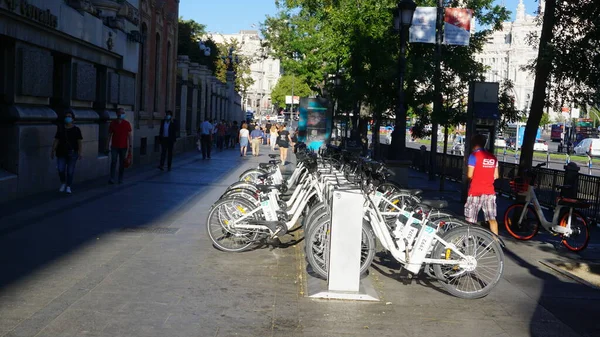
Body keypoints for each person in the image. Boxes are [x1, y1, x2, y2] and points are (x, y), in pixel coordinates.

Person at [465, 134, 500, 235]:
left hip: (475, 192)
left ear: (474, 144)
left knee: (470, 219)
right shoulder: (493, 157)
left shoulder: (473, 156)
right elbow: (496, 175)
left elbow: (470, 175)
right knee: (492, 219)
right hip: (489, 192)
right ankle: (496, 242)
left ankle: (469, 241)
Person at [50, 110, 83, 194]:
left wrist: (80, 152)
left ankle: (68, 186)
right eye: (66, 116)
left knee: (70, 171)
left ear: (72, 119)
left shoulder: (76, 129)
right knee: (61, 169)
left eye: (69, 116)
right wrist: (53, 150)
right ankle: (63, 183)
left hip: (72, 153)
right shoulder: (61, 129)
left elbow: (79, 141)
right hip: (61, 152)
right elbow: (56, 140)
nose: (68, 118)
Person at [106, 108, 132, 184]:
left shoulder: (127, 123)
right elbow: (109, 135)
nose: (122, 114)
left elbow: (129, 136)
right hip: (114, 146)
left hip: (124, 147)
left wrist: (130, 146)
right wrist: (107, 146)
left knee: (122, 163)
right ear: (117, 114)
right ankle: (112, 178)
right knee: (113, 161)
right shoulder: (113, 123)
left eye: (123, 113)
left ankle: (120, 178)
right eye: (121, 113)